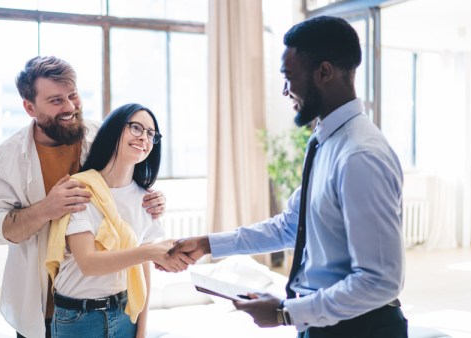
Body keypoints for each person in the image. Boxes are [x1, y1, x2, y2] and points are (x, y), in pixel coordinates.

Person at [168, 16, 407, 338]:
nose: (285, 90)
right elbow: (292, 225)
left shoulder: (360, 155)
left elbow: (380, 281)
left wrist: (285, 313)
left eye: (289, 76)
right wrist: (208, 244)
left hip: (361, 329)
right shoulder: (326, 141)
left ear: (323, 72)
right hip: (323, 323)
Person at [0, 56, 167, 338]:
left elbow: (128, 182)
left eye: (73, 95)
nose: (69, 107)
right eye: (56, 101)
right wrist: (46, 209)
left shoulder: (102, 136)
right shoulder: (3, 162)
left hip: (112, 301)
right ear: (30, 107)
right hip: (43, 303)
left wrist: (154, 197)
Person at [46, 103, 192, 338]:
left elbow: (143, 273)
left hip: (125, 314)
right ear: (114, 131)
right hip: (79, 319)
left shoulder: (146, 199)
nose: (144, 137)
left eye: (150, 133)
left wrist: (141, 331)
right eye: (136, 128)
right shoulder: (80, 189)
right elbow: (88, 263)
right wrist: (151, 252)